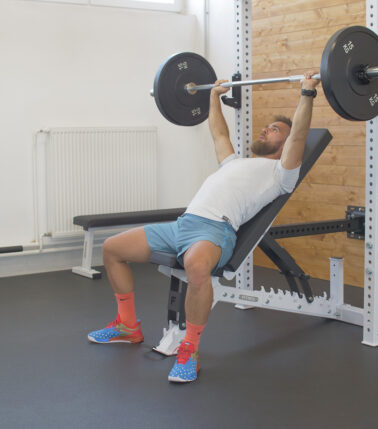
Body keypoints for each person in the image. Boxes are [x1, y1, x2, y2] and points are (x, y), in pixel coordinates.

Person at [87, 72, 321, 383]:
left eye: (275, 129)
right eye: (267, 126)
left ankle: (190, 351)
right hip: (183, 224)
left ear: (286, 145)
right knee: (112, 248)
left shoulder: (281, 174)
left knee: (196, 268)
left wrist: (307, 93)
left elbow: (299, 136)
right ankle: (127, 326)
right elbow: (219, 135)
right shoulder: (235, 163)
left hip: (215, 231)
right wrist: (213, 97)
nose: (265, 129)